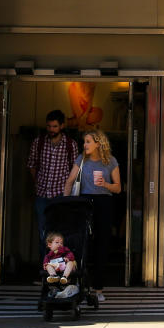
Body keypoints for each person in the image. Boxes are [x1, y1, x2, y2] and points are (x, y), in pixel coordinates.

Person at [64, 128, 120, 303]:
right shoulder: (81, 160)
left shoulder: (110, 161)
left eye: (88, 141)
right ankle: (78, 284)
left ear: (98, 143)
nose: (84, 145)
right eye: (84, 141)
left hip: (104, 202)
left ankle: (98, 288)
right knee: (81, 244)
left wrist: (105, 184)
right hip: (84, 203)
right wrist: (66, 204)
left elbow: (118, 188)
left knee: (101, 244)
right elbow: (69, 181)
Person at [27, 109, 80, 260]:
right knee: (43, 233)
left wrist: (68, 192)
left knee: (60, 234)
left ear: (62, 126)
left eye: (55, 126)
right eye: (49, 126)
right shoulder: (39, 142)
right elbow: (31, 164)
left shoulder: (71, 145)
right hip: (42, 194)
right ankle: (45, 270)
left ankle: (60, 269)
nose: (51, 129)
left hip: (60, 195)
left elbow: (74, 171)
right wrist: (37, 182)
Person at [42, 231, 78, 298]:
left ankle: (64, 277)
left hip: (66, 267)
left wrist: (68, 258)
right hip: (56, 268)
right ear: (50, 245)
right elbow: (45, 262)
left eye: (61, 243)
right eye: (57, 242)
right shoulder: (48, 255)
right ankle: (53, 275)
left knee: (71, 262)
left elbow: (71, 255)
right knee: (47, 265)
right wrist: (46, 265)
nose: (60, 244)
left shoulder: (65, 250)